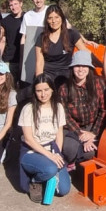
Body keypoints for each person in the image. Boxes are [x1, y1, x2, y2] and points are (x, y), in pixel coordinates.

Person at [18, 74, 71, 203]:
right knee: (50, 169)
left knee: (64, 189)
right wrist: (50, 156)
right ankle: (35, 181)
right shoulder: (28, 109)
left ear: (52, 89)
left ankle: (47, 176)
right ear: (34, 92)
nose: (43, 94)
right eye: (39, 91)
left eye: (46, 90)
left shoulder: (58, 107)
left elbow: (59, 133)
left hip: (51, 148)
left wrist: (57, 154)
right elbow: (29, 139)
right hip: (32, 151)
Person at [58, 49, 106, 166]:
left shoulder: (98, 84)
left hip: (92, 127)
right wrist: (80, 134)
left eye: (84, 66)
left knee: (89, 152)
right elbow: (65, 116)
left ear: (89, 68)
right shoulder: (64, 89)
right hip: (72, 128)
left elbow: (103, 110)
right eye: (77, 66)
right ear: (72, 68)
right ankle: (70, 161)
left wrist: (93, 134)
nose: (80, 69)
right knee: (69, 150)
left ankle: (77, 161)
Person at [33, 4, 90, 86]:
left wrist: (101, 64)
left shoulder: (72, 34)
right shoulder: (41, 37)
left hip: (66, 74)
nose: (53, 21)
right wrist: (40, 83)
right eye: (50, 18)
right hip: (48, 74)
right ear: (47, 20)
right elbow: (39, 63)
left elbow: (85, 52)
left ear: (62, 18)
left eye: (56, 17)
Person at [18, 0, 48, 85]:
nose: (38, 0)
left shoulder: (51, 12)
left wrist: (84, 40)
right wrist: (22, 58)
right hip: (31, 55)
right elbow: (24, 37)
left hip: (47, 53)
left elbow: (68, 27)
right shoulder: (27, 16)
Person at [0, 0, 24, 86]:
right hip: (9, 60)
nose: (13, 7)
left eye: (15, 4)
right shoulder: (5, 21)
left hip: (25, 59)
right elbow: (2, 41)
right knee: (9, 87)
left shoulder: (28, 18)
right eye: (11, 5)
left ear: (21, 3)